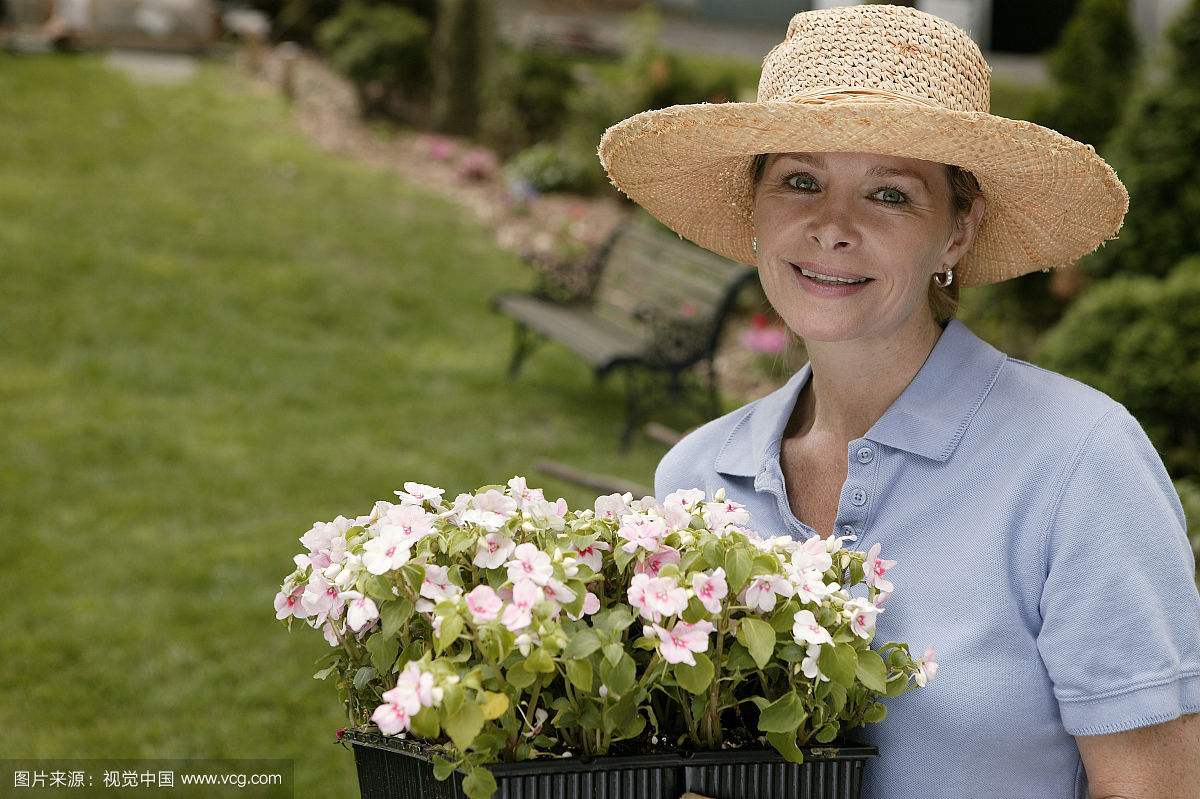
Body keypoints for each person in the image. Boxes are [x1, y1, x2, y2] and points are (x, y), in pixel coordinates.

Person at [596, 5, 1200, 798]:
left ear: (957, 231)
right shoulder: (697, 475)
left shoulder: (1078, 462)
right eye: (800, 181)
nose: (832, 226)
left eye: (889, 194)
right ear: (755, 210)